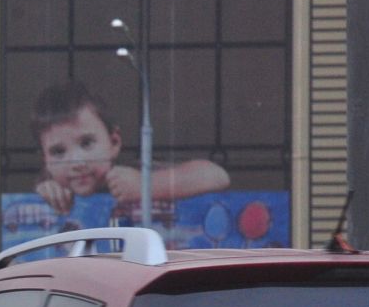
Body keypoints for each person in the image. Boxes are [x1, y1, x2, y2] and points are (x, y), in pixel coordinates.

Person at [32, 79, 229, 217]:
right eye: (58, 152)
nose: (76, 162)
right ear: (44, 159)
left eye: (86, 143)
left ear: (114, 142)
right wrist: (45, 191)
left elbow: (218, 176)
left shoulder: (136, 173)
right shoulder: (49, 187)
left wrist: (145, 186)